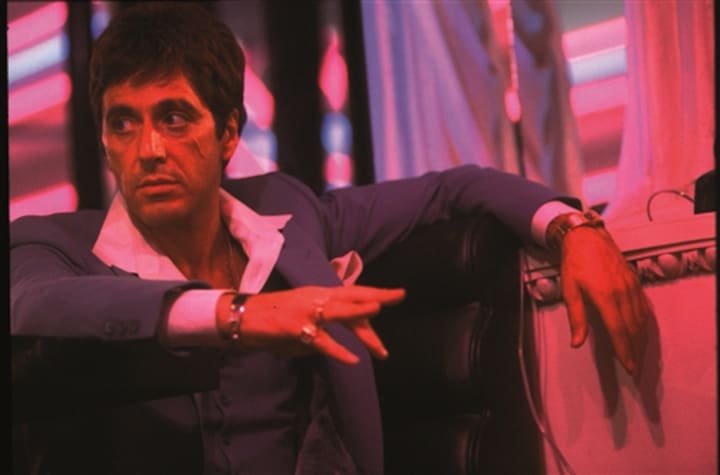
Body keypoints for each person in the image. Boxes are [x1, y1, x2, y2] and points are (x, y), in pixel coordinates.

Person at [10, 3, 653, 474]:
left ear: (228, 133)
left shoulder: (287, 213)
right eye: (124, 123)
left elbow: (453, 189)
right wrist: (240, 314)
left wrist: (573, 229)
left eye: (174, 118)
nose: (149, 149)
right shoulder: (57, 244)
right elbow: (33, 301)